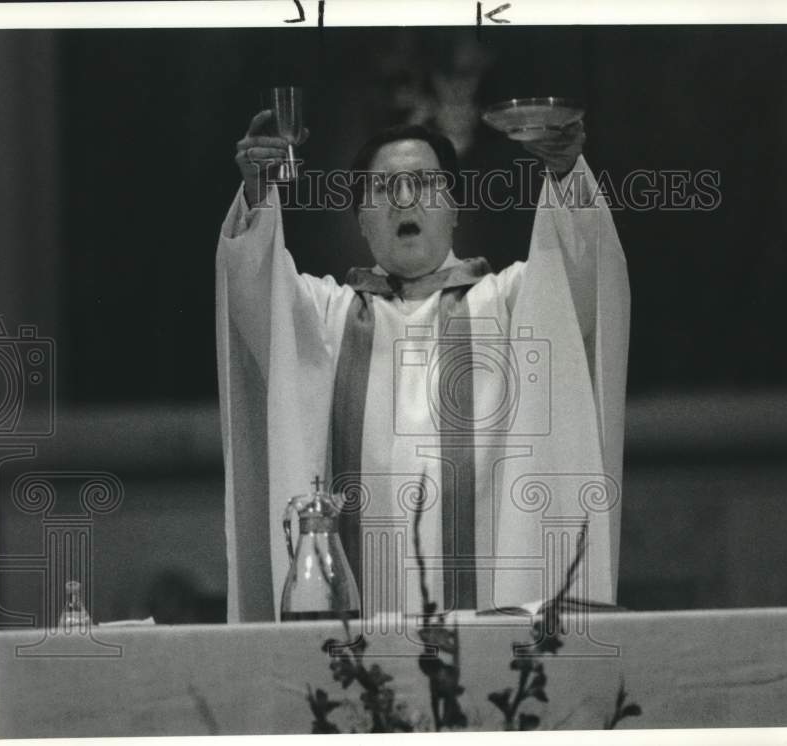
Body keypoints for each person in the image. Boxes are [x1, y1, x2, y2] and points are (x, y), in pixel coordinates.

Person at [217, 109, 629, 623]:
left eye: (425, 183)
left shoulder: (511, 304)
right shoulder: (324, 318)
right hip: (359, 625)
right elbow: (258, 291)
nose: (406, 200)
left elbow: (579, 277)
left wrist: (567, 176)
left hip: (488, 621)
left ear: (454, 208)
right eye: (385, 188)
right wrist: (259, 195)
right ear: (362, 217)